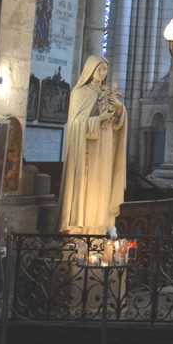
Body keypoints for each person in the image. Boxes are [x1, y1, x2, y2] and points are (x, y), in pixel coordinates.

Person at [59, 55, 128, 235]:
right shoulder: (80, 92)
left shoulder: (107, 93)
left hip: (105, 144)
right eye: (99, 69)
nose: (102, 73)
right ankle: (82, 231)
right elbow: (76, 124)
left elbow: (118, 124)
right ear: (90, 70)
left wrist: (119, 109)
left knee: (102, 185)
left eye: (105, 70)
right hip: (88, 150)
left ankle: (99, 231)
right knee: (87, 187)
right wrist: (99, 119)